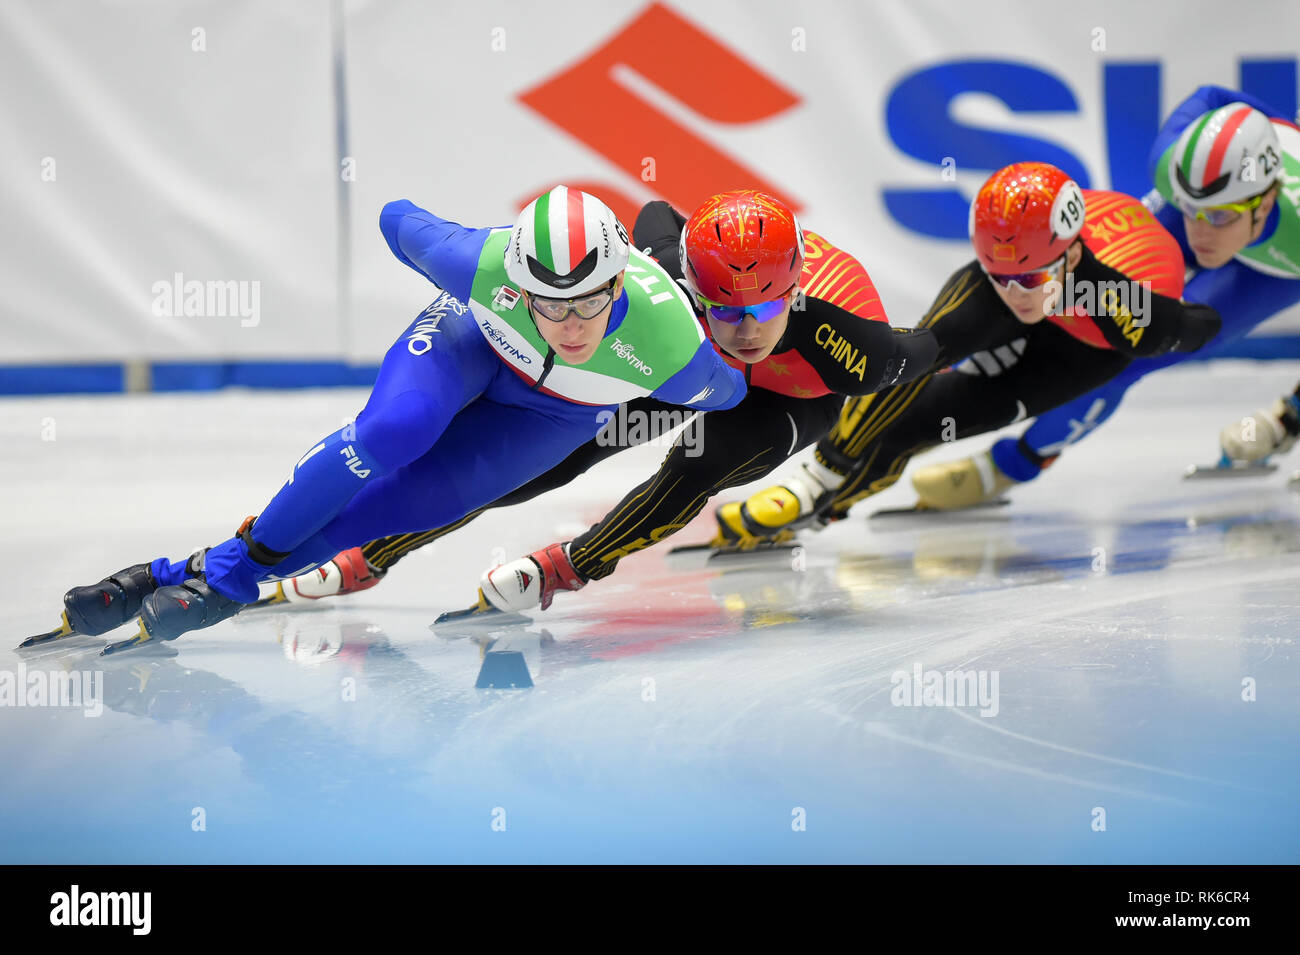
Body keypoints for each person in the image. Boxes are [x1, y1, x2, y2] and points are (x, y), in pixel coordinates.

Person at [25, 186, 746, 651]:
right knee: (394, 432)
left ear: (620, 281)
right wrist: (480, 264)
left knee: (390, 511)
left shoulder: (675, 352)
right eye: (548, 303)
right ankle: (229, 582)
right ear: (516, 284)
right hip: (472, 342)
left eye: (590, 301)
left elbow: (735, 392)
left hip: (552, 413)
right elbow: (397, 218)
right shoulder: (479, 266)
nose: (569, 324)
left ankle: (178, 572)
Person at [255, 190, 941, 615]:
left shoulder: (856, 349)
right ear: (691, 289)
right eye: (722, 307)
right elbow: (654, 217)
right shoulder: (673, 277)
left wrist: (840, 469)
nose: (746, 327)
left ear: (792, 293)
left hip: (793, 395)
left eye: (764, 305)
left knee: (702, 464)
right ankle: (368, 552)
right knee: (555, 455)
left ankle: (570, 565)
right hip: (693, 371)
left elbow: (933, 347)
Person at [710, 161, 1222, 542]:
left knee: (920, 424)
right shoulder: (1006, 274)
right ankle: (820, 485)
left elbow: (1204, 325)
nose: (1015, 292)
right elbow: (903, 366)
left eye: (1029, 279)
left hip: (1088, 342)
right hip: (1055, 287)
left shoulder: (1124, 305)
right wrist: (819, 469)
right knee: (914, 373)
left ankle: (827, 506)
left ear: (1070, 256)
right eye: (999, 276)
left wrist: (821, 489)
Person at [910, 87, 1300, 505]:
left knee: (1128, 353)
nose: (1202, 230)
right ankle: (942, 400)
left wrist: (1288, 416)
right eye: (1189, 207)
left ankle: (1010, 465)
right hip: (1222, 196)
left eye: (1217, 215)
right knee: (1080, 290)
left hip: (1277, 268)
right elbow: (1210, 96)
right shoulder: (1176, 164)